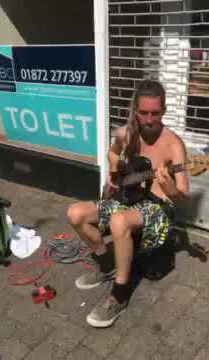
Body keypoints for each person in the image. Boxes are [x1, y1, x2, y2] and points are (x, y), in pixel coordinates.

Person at [67, 80, 189, 328]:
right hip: (129, 196)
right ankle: (106, 264)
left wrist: (171, 189)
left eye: (155, 113)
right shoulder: (125, 134)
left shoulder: (174, 145)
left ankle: (119, 295)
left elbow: (184, 196)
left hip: (157, 209)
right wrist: (114, 165)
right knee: (76, 213)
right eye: (143, 113)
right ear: (135, 111)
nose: (149, 119)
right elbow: (112, 153)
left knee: (119, 221)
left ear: (163, 111)